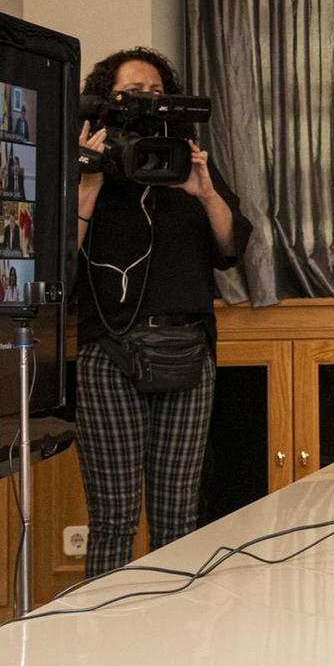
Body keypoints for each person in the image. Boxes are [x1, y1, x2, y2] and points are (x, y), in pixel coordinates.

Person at [75, 46, 249, 578]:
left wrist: (204, 192)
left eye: (156, 93)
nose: (147, 103)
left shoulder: (186, 161)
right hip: (109, 354)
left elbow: (230, 248)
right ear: (107, 100)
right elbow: (60, 262)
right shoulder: (88, 169)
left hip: (188, 354)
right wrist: (90, 181)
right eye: (132, 93)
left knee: (178, 516)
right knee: (113, 517)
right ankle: (105, 641)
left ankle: (177, 638)